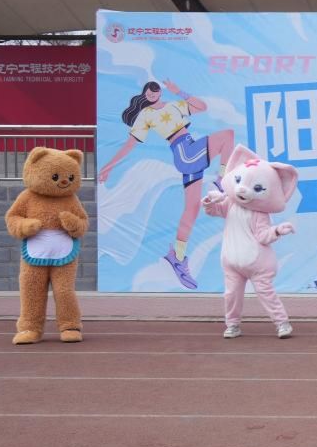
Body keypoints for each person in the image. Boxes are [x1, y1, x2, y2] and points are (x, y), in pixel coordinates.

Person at [98, 78, 233, 291]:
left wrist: (179, 91)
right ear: (145, 95)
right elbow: (130, 144)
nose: (153, 95)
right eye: (149, 93)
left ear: (160, 93)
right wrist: (109, 166)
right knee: (227, 135)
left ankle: (177, 256)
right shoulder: (146, 115)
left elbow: (202, 107)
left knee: (192, 209)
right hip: (185, 152)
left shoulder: (174, 106)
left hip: (189, 152)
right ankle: (221, 181)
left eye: (156, 92)